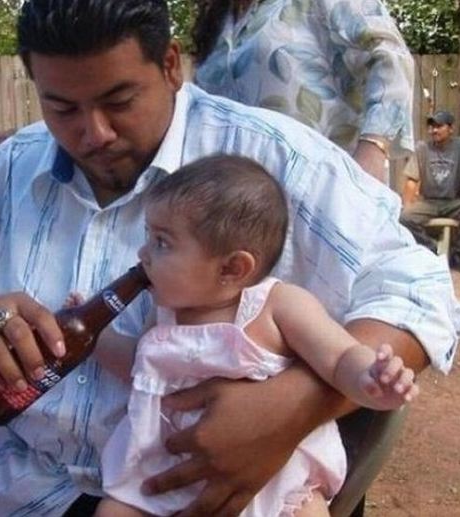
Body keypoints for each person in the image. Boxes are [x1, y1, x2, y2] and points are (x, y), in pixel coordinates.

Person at [0, 1, 460, 515]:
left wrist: (294, 405)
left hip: (182, 497)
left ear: (169, 67)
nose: (94, 132)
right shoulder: (13, 166)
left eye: (119, 99)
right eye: (63, 108)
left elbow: (419, 289)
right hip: (1, 470)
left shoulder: (272, 159)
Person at [95, 154, 419, 517]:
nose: (143, 254)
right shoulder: (166, 315)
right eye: (148, 237)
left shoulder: (277, 306)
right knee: (114, 510)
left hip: (272, 478)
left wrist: (370, 378)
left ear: (233, 268)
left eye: (162, 242)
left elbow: (340, 356)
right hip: (164, 474)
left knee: (306, 510)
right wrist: (96, 336)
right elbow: (141, 369)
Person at [191, 0, 415, 183]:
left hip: (324, 196)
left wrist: (372, 153)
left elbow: (391, 57)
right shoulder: (219, 23)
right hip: (233, 207)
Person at [400, 110, 460, 273]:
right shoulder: (423, 148)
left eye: (439, 126)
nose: (434, 130)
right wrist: (407, 204)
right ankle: (434, 249)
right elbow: (411, 180)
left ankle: (458, 254)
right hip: (429, 201)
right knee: (404, 218)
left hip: (454, 202)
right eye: (432, 127)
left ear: (450, 129)